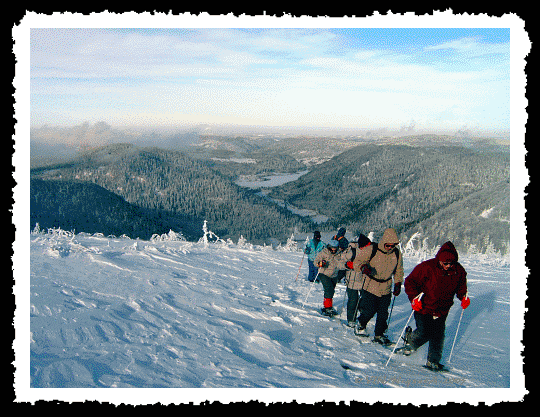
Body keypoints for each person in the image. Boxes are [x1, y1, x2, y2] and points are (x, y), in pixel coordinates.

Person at [403, 241, 470, 371]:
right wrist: (414, 299)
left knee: (438, 335)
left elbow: (461, 287)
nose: (448, 266)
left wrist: (463, 297)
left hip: (442, 308)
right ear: (439, 260)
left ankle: (433, 361)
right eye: (445, 263)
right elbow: (410, 282)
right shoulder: (426, 267)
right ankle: (410, 343)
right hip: (424, 306)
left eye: (451, 263)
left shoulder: (459, 271)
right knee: (425, 332)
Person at [347, 228, 404, 345]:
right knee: (370, 310)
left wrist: (398, 283)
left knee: (383, 313)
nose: (390, 248)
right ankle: (361, 324)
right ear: (384, 242)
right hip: (370, 284)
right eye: (388, 245)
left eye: (393, 245)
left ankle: (379, 334)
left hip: (386, 286)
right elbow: (357, 261)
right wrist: (363, 267)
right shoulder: (372, 249)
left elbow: (399, 270)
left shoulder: (396, 253)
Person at [343, 233, 372, 326]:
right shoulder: (353, 252)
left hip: (364, 280)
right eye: (367, 246)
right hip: (352, 279)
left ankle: (360, 314)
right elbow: (341, 262)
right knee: (353, 300)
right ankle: (351, 320)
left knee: (365, 300)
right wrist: (347, 265)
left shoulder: (371, 253)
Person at [313, 239, 347, 316]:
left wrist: (346, 266)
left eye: (335, 248)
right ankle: (327, 307)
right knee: (328, 289)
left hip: (334, 275)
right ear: (329, 247)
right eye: (332, 247)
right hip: (324, 273)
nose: (334, 249)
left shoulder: (339, 254)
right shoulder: (324, 252)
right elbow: (315, 262)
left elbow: (340, 264)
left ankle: (328, 306)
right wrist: (320, 263)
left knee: (331, 291)